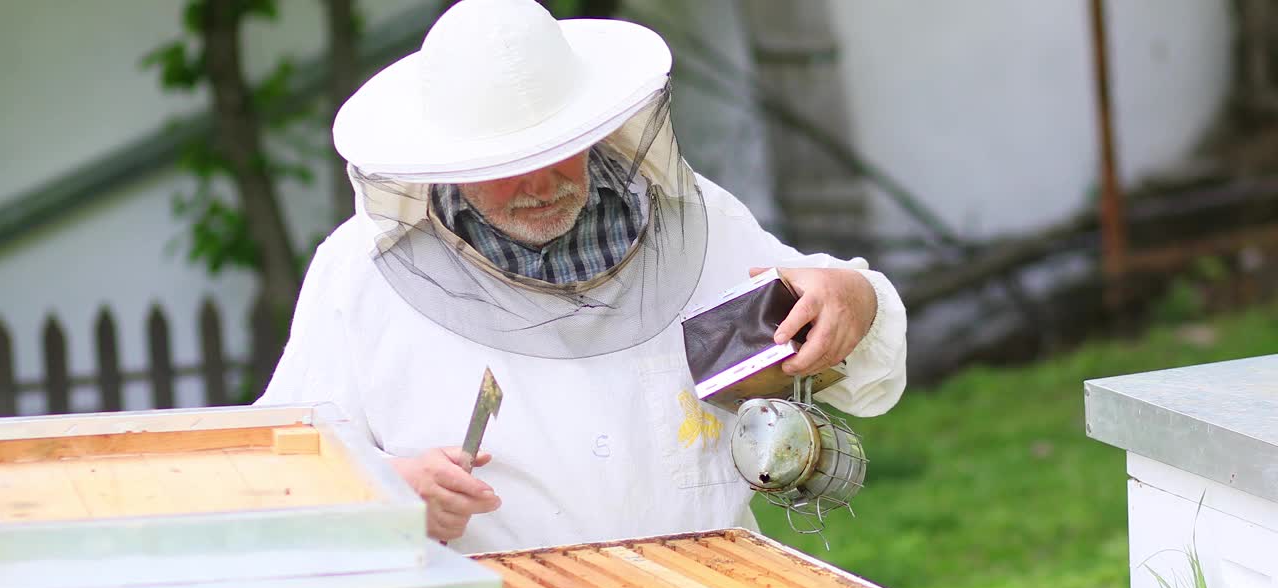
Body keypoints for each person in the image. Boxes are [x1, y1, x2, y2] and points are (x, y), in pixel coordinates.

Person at [257, 0, 907, 554]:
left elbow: (842, 341)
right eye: (506, 162)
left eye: (556, 147)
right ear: (445, 159)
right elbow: (278, 469)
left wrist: (856, 299)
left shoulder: (693, 219)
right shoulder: (360, 274)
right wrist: (385, 491)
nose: (538, 185)